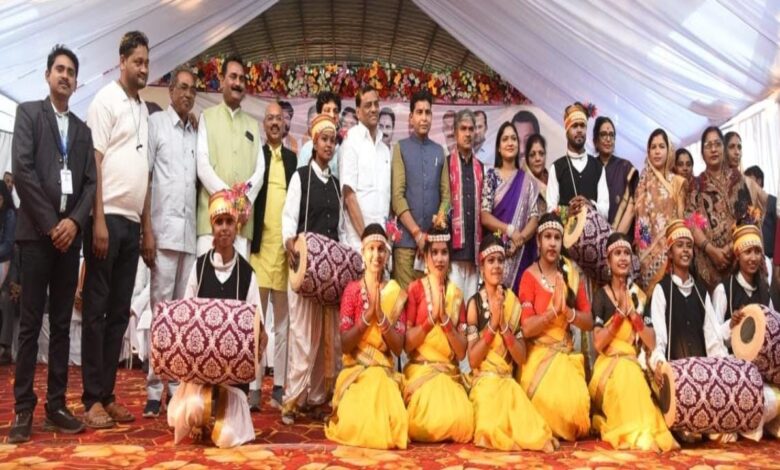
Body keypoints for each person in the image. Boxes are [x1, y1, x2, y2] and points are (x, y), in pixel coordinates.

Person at [8, 45, 96, 443]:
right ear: (47, 75)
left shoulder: (82, 130)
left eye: (71, 72)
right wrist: (52, 224)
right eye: (59, 69)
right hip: (36, 236)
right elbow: (23, 171)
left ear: (76, 83)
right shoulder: (29, 114)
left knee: (61, 324)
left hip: (68, 240)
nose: (65, 76)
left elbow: (90, 184)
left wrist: (73, 224)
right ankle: (23, 408)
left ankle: (56, 405)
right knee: (30, 325)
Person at [82, 31, 151, 428]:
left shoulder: (143, 109)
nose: (143, 68)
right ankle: (91, 398)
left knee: (119, 315)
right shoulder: (105, 100)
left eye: (146, 62)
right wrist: (98, 219)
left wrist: (146, 228)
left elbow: (144, 172)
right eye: (137, 61)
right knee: (96, 310)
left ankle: (107, 395)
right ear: (121, 61)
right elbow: (94, 163)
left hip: (132, 223)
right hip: (106, 218)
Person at [167, 188, 264, 449]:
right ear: (212, 227)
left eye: (229, 221)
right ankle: (200, 417)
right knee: (195, 409)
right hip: (200, 375)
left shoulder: (248, 274)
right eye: (219, 222)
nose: (224, 228)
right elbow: (185, 317)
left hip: (233, 380)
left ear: (236, 226)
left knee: (228, 437)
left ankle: (221, 413)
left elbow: (258, 328)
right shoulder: (199, 268)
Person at [141, 66, 198, 418]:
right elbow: (145, 178)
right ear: (171, 91)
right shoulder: (157, 124)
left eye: (193, 90)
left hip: (189, 238)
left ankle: (176, 387)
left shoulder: (196, 132)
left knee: (183, 316)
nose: (188, 94)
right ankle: (153, 388)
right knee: (160, 314)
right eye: (183, 88)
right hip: (161, 235)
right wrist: (146, 230)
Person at [466, 234, 556, 452]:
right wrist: (492, 324)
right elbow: (473, 360)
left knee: (536, 435)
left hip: (508, 382)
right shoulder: (474, 304)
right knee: (490, 431)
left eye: (500, 260)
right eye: (491, 261)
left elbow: (521, 356)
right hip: (484, 384)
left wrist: (504, 326)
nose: (497, 266)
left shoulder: (514, 303)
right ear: (482, 267)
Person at [589, 233, 678, 452]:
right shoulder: (601, 296)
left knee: (634, 379)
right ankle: (638, 433)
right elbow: (598, 343)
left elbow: (651, 341)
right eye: (617, 253)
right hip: (608, 367)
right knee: (626, 378)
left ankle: (644, 431)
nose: (623, 258)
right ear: (608, 260)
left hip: (632, 363)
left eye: (627, 253)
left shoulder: (639, 296)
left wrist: (633, 315)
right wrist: (619, 316)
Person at [281, 115, 343, 424]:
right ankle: (292, 400)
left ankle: (317, 399)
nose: (329, 145)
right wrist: (289, 243)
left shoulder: (336, 185)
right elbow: (289, 217)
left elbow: (340, 230)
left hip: (328, 275)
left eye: (333, 140)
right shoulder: (301, 176)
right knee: (303, 337)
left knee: (324, 341)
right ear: (314, 143)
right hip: (305, 268)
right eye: (324, 140)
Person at [325, 224, 408, 449]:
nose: (376, 255)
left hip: (383, 372)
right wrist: (367, 316)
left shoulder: (395, 293)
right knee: (353, 422)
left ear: (387, 254)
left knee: (395, 422)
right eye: (371, 248)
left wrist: (380, 317)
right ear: (362, 253)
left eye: (381, 249)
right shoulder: (352, 291)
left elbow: (398, 348)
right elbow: (345, 344)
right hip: (356, 371)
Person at [517, 212, 592, 442]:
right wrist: (552, 312)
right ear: (538, 241)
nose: (552, 243)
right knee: (550, 404)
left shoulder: (571, 274)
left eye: (557, 238)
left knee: (577, 413)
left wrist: (568, 312)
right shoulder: (528, 277)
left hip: (565, 355)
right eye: (547, 237)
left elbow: (589, 322)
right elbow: (527, 329)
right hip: (537, 356)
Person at [403, 220, 474, 443]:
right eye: (434, 252)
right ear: (425, 257)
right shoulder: (415, 290)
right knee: (424, 421)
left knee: (464, 422)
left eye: (444, 252)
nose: (439, 259)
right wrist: (430, 320)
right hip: (421, 371)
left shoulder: (456, 295)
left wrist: (444, 320)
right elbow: (407, 345)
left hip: (448, 373)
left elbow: (461, 352)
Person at [248, 101, 298, 410]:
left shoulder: (292, 159)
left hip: (284, 252)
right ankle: (254, 386)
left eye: (279, 119)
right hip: (259, 249)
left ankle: (279, 385)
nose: (275, 123)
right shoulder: (258, 155)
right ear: (264, 124)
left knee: (283, 324)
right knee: (257, 323)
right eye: (270, 119)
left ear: (285, 123)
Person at [195, 54, 265, 257]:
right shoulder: (207, 117)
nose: (237, 83)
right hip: (210, 220)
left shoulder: (253, 125)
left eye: (242, 79)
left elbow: (260, 170)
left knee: (239, 277)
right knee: (206, 275)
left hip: (242, 223)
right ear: (222, 80)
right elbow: (202, 165)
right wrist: (231, 199)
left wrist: (243, 201)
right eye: (233, 77)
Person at [686, 126, 765, 293]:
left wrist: (730, 248)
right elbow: (690, 220)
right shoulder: (696, 184)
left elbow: (749, 215)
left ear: (723, 148)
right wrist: (711, 250)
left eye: (717, 144)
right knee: (719, 306)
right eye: (708, 145)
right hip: (710, 264)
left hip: (741, 257)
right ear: (702, 153)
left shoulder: (737, 179)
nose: (713, 149)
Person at [648, 220, 727, 372]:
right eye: (679, 245)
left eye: (689, 246)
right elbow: (659, 338)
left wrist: (722, 367)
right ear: (670, 254)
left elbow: (713, 340)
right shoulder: (662, 289)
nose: (685, 250)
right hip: (675, 372)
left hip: (702, 371)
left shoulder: (701, 292)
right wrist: (659, 364)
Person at [390, 90, 450, 289]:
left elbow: (446, 197)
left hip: (433, 249)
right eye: (419, 112)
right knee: (404, 302)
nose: (424, 118)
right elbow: (397, 197)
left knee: (431, 301)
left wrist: (434, 230)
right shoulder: (401, 148)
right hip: (406, 245)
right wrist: (417, 234)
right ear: (411, 118)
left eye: (428, 112)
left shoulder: (439, 151)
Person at [480, 122, 540, 292]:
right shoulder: (491, 176)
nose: (510, 143)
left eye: (513, 138)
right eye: (505, 139)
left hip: (521, 254)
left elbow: (534, 218)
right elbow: (485, 216)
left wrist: (519, 240)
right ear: (499, 148)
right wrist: (510, 231)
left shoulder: (527, 181)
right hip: (496, 252)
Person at [339, 86, 391, 253]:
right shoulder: (351, 142)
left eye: (376, 104)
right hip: (358, 243)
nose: (374, 109)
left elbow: (387, 197)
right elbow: (349, 196)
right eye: (368, 105)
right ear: (358, 112)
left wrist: (384, 241)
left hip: (382, 243)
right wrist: (366, 239)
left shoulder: (385, 149)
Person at [634, 129, 686, 293]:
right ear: (648, 151)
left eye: (661, 146)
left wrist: (673, 248)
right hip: (647, 255)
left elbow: (681, 219)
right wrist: (647, 253)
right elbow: (640, 220)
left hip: (673, 250)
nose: (657, 151)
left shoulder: (677, 182)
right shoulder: (642, 183)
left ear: (669, 150)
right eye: (653, 147)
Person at [711, 225, 771, 352]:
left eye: (757, 252)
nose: (753, 258)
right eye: (748, 252)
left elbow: (773, 328)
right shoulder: (724, 290)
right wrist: (731, 324)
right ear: (738, 256)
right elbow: (714, 338)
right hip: (733, 360)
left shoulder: (764, 291)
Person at [546, 103, 609, 219]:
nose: (579, 130)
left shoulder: (598, 167)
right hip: (566, 230)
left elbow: (605, 211)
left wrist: (590, 205)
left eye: (582, 126)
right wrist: (567, 212)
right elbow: (550, 210)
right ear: (567, 131)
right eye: (574, 126)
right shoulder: (556, 168)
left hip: (594, 230)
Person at [448, 109, 483, 300]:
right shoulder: (447, 164)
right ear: (455, 133)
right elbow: (443, 204)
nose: (468, 134)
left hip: (475, 252)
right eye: (463, 129)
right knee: (454, 306)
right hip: (453, 252)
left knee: (472, 308)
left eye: (471, 129)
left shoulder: (481, 167)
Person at [594, 116, 637, 235]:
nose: (608, 139)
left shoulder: (626, 167)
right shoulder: (590, 167)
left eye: (611, 135)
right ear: (595, 140)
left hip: (622, 236)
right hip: (595, 236)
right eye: (603, 134)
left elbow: (633, 207)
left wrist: (617, 237)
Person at [524, 133, 549, 207]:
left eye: (541, 153)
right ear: (527, 159)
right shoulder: (522, 186)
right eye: (532, 155)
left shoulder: (553, 181)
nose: (537, 158)